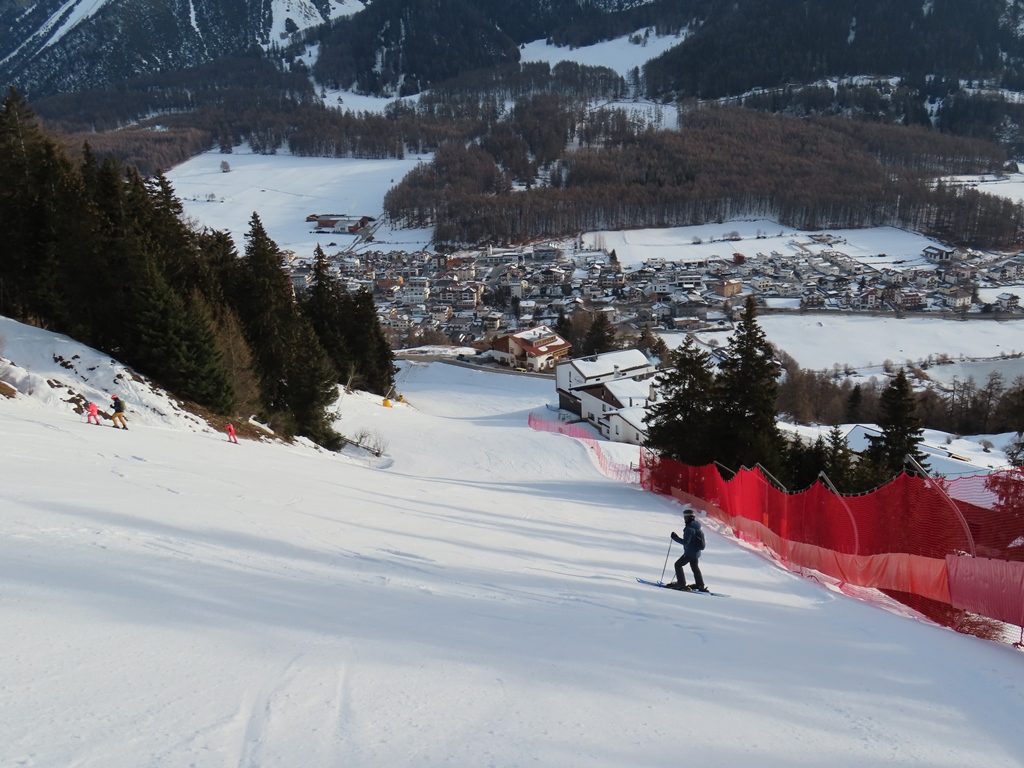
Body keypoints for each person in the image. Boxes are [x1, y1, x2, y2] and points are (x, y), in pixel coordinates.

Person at [667, 507, 707, 592]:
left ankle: (681, 584)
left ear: (687, 518)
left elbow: (686, 542)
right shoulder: (697, 528)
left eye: (685, 517)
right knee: (694, 567)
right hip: (696, 553)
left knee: (678, 565)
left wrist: (675, 538)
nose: (684, 519)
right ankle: (700, 585)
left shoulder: (689, 529)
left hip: (690, 553)